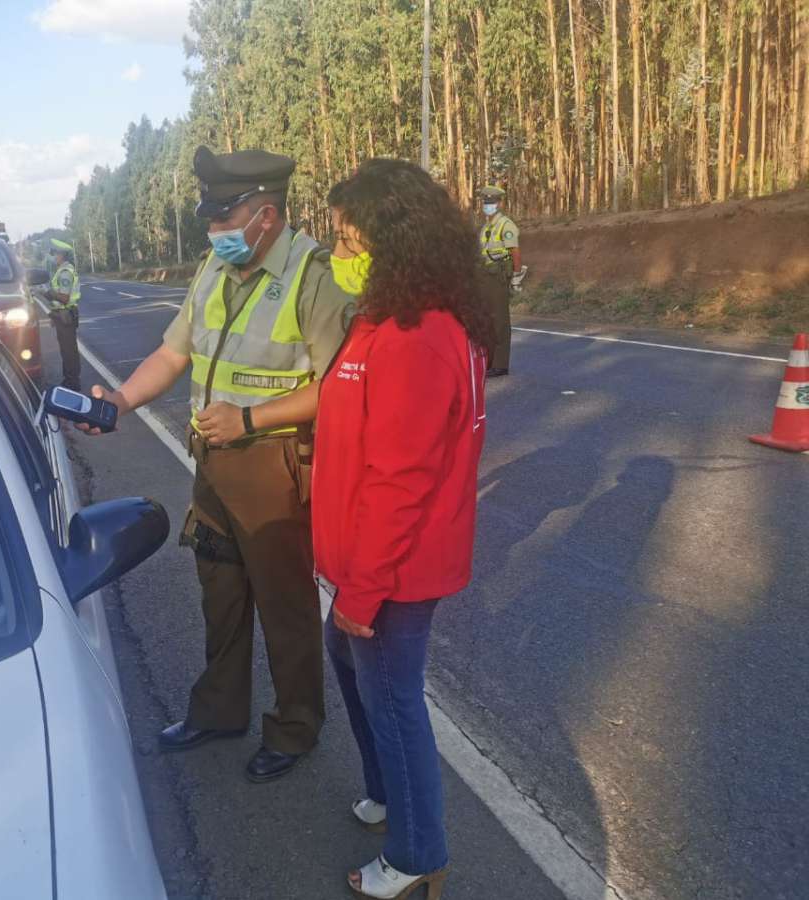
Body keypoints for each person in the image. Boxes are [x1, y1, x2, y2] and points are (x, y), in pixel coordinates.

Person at [85, 145, 353, 782]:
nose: (213, 233)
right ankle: (220, 709)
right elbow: (174, 354)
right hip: (213, 459)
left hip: (274, 462)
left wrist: (252, 419)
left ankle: (295, 727)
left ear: (265, 215)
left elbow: (339, 387)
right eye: (210, 222)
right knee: (221, 592)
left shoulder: (313, 277)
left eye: (223, 221)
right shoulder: (212, 269)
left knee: (284, 603)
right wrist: (118, 401)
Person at [313, 159, 494, 899]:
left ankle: (419, 851)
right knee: (357, 672)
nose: (339, 254)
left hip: (393, 567)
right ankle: (390, 794)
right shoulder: (388, 320)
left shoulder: (417, 337)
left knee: (393, 698)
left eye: (349, 240)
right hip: (370, 559)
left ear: (394, 242)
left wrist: (362, 589)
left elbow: (401, 479)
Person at [477, 184, 523, 377]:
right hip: (485, 276)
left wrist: (516, 276)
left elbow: (515, 252)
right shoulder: (486, 226)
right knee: (486, 320)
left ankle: (500, 364)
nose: (488, 205)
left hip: (498, 276)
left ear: (500, 203)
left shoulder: (506, 225)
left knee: (499, 320)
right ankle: (488, 361)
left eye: (492, 202)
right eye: (486, 202)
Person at [46, 238, 82, 390]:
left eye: (56, 254)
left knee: (68, 351)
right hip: (64, 315)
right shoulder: (63, 270)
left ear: (62, 255)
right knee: (69, 349)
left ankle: (71, 383)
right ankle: (71, 381)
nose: (54, 257)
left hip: (66, 315)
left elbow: (64, 298)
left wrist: (47, 293)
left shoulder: (65, 273)